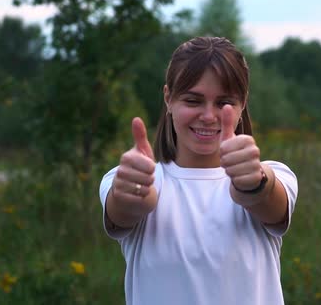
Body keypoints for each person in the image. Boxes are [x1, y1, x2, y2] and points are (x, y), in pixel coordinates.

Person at [98, 36, 298, 305]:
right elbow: (128, 208)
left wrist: (253, 184)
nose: (208, 116)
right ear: (168, 98)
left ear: (243, 103)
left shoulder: (276, 175)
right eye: (193, 101)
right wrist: (134, 191)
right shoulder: (125, 179)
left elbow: (267, 201)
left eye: (223, 102)